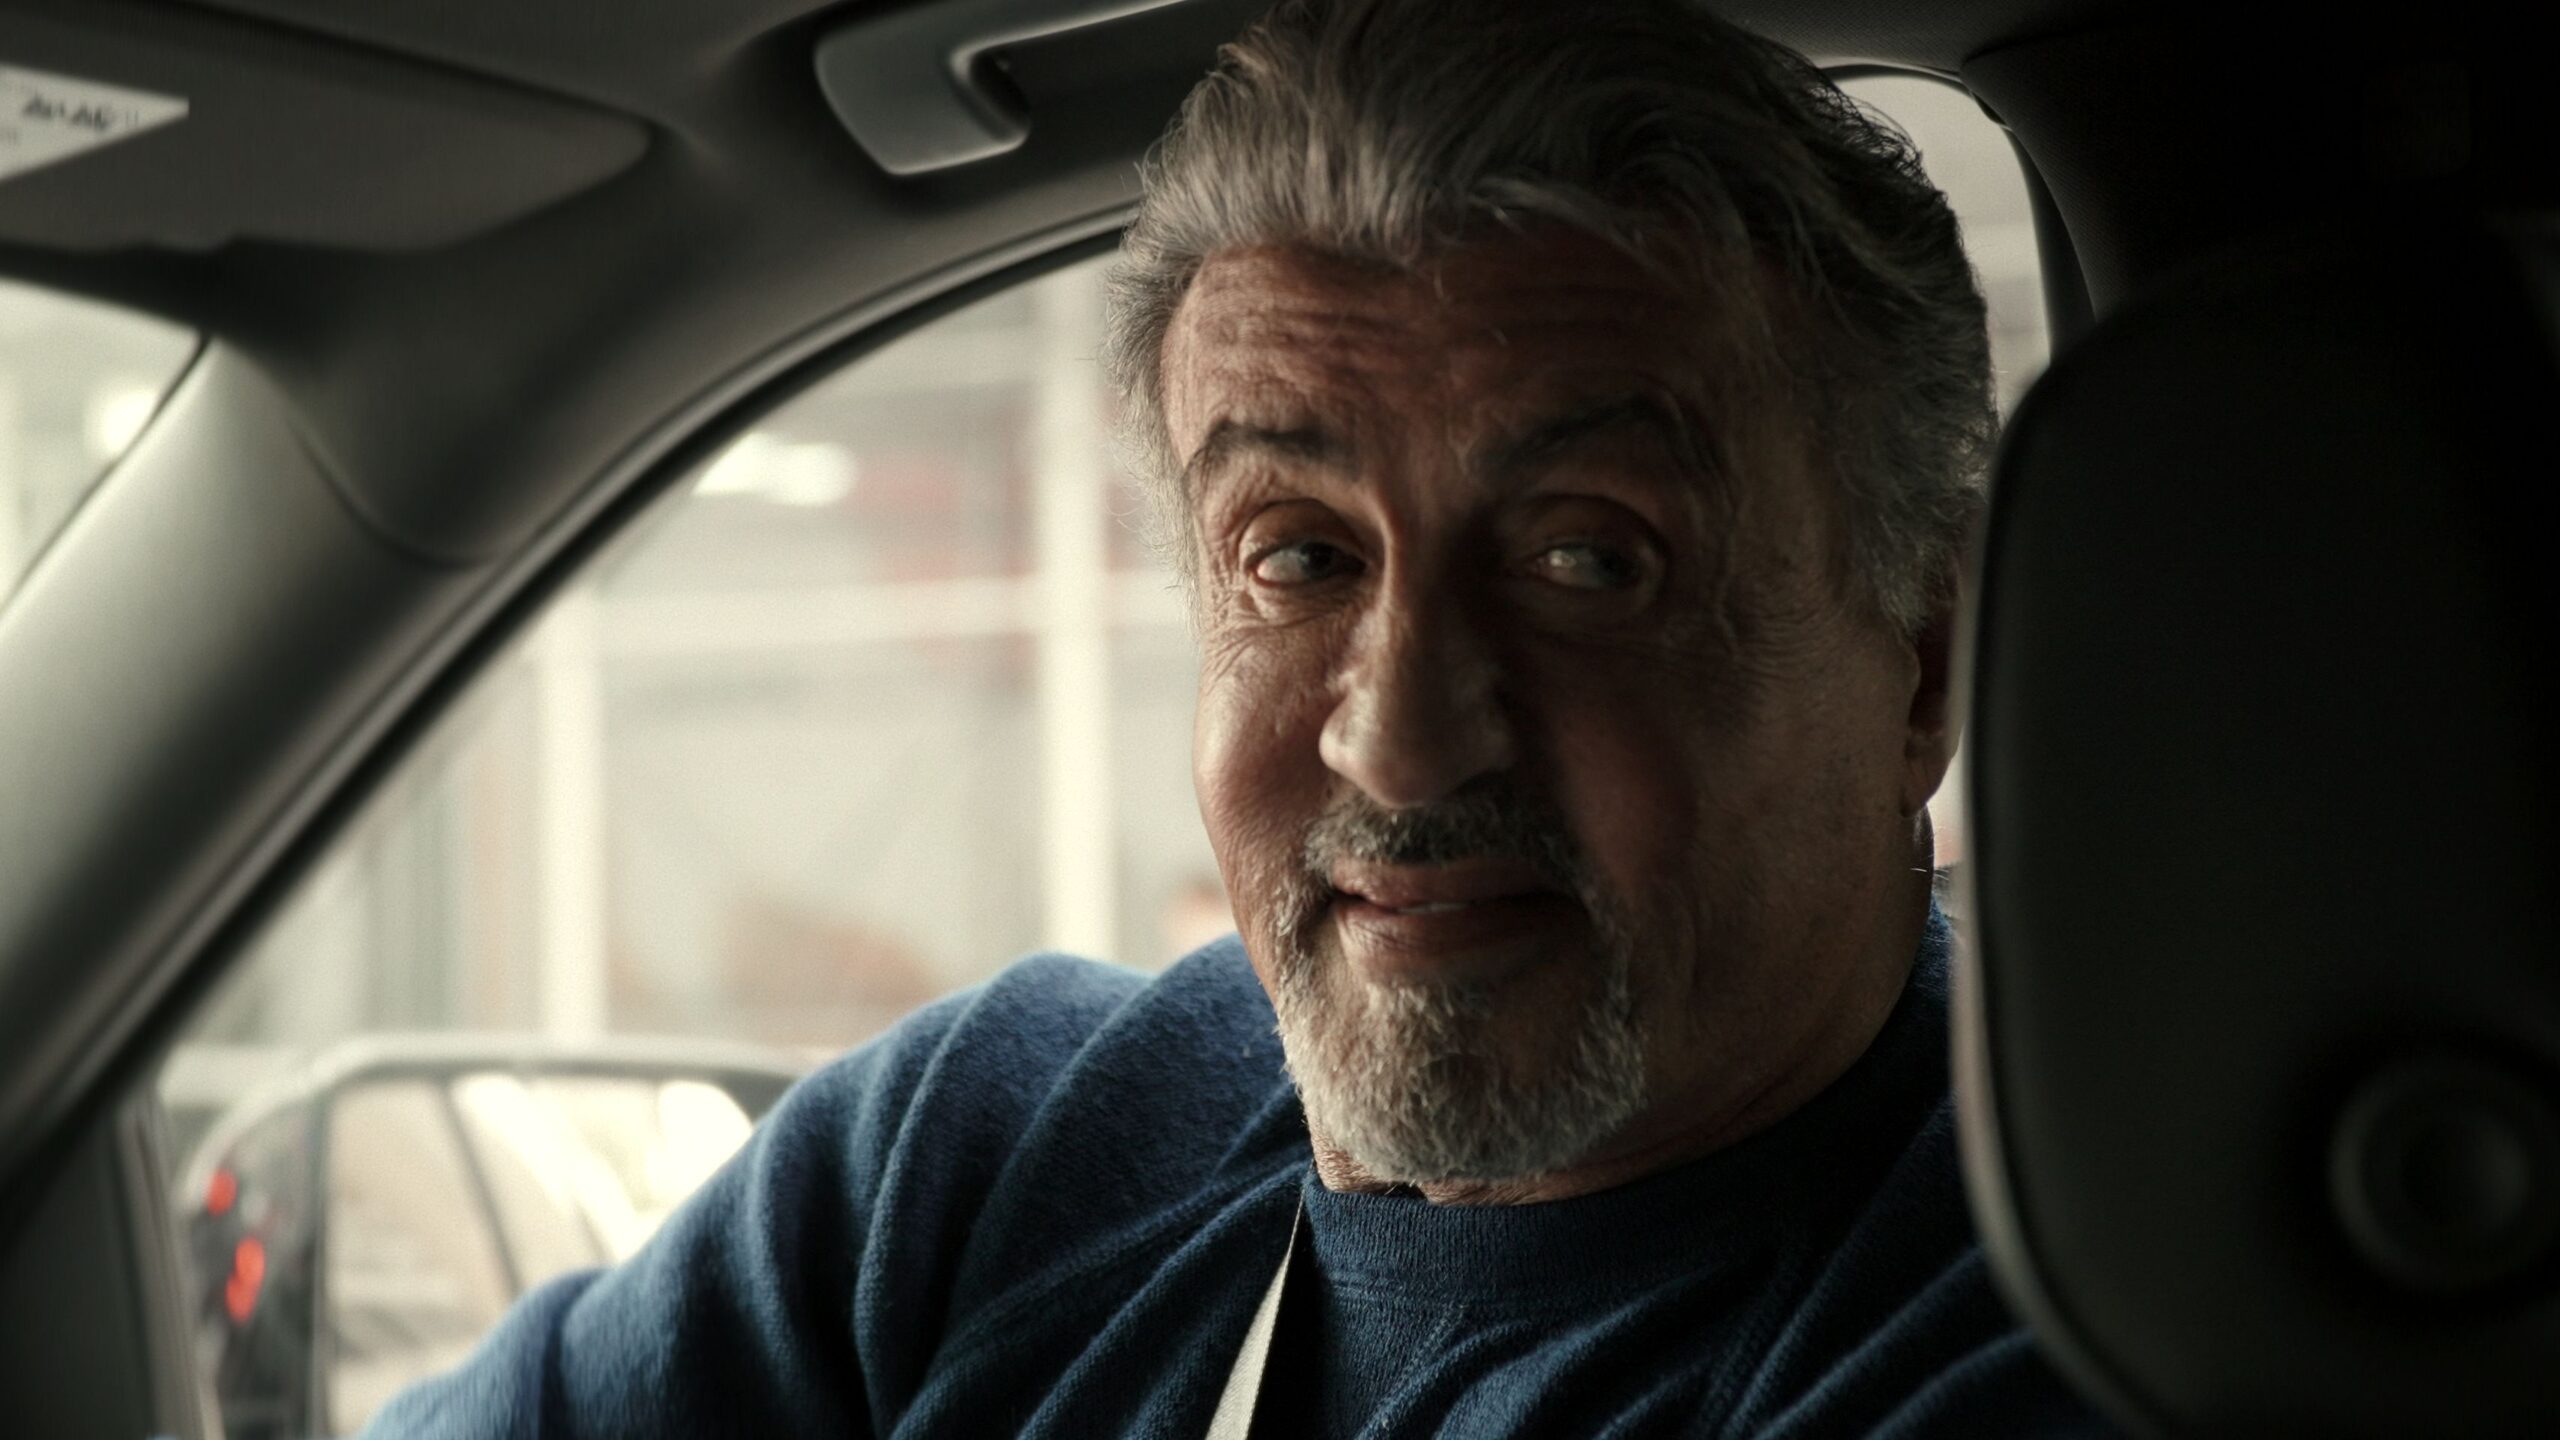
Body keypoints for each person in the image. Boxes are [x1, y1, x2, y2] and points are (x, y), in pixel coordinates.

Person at [365, 0, 2109, 1434]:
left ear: (1921, 660)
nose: (1399, 740)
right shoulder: (984, 1162)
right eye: (1297, 557)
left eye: (1587, 559)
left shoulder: (2053, 1341)